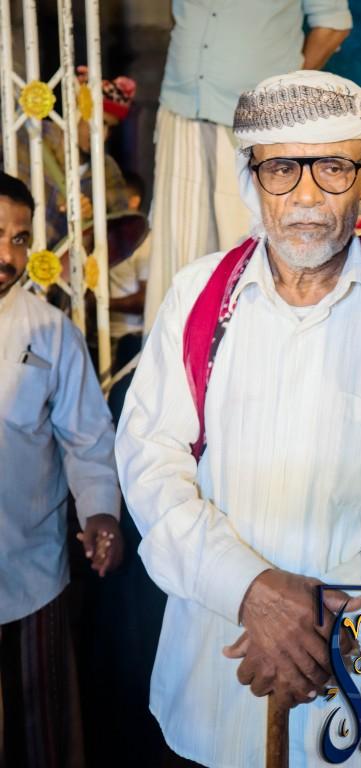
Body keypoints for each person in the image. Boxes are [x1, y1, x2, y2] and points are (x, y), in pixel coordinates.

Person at [116, 72, 361, 767]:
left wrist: (325, 627)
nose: (306, 196)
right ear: (251, 180)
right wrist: (249, 590)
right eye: (281, 169)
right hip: (215, 675)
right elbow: (150, 461)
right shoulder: (197, 296)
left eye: (333, 167)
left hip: (360, 687)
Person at [0, 171, 123, 768]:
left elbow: (88, 439)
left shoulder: (51, 333)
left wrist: (100, 513)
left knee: (40, 735)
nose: (8, 254)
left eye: (20, 239)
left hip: (29, 571)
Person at [144, 0, 353, 331]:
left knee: (249, 249)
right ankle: (179, 353)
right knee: (177, 249)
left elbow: (332, 25)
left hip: (254, 127)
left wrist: (280, 95)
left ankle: (250, 351)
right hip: (180, 108)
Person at [0, 69, 136, 249]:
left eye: (110, 128)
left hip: (63, 262)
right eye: (99, 122)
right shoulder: (33, 134)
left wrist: (92, 214)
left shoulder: (108, 169)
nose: (102, 134)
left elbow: (120, 230)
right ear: (76, 110)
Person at [109, 170, 150, 370]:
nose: (111, 202)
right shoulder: (107, 235)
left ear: (134, 201)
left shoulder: (145, 242)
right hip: (102, 336)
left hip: (130, 338)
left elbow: (145, 299)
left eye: (118, 197)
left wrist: (101, 304)